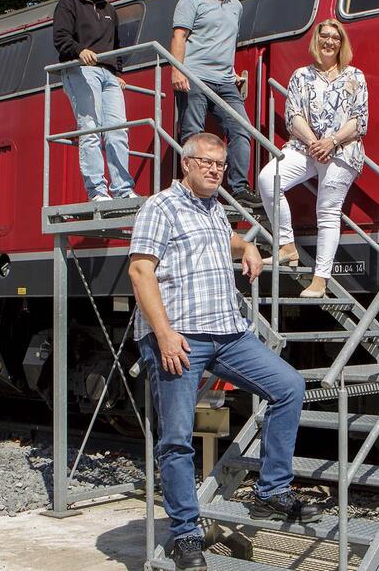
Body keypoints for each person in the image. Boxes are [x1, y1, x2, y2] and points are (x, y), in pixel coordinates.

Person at [127, 133, 323, 571]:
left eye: (220, 164)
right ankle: (185, 534)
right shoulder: (160, 208)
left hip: (228, 333)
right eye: (207, 163)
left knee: (289, 385)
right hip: (180, 338)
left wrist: (248, 245)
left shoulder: (214, 209)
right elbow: (140, 271)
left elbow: (224, 240)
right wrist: (162, 334)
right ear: (186, 165)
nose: (216, 170)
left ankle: (271, 491)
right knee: (177, 439)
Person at [256, 19, 367, 297]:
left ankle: (321, 278)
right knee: (268, 179)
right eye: (324, 36)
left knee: (327, 211)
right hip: (306, 146)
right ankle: (286, 245)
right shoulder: (300, 76)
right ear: (316, 41)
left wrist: (332, 141)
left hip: (343, 148)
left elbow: (359, 120)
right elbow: (293, 116)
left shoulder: (355, 76)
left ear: (342, 43)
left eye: (335, 37)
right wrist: (315, 142)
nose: (329, 42)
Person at [170, 0, 261, 206]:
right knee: (193, 134)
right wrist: (177, 70)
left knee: (242, 128)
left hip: (224, 81)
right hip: (194, 77)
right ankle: (191, 190)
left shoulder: (236, 6)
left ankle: (239, 188)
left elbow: (223, 41)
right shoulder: (191, 0)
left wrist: (231, 71)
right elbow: (179, 37)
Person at [52, 0, 134, 202]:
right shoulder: (68, 4)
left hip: (108, 75)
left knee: (118, 131)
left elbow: (117, 44)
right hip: (81, 70)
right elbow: (61, 39)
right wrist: (80, 51)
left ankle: (122, 190)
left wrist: (118, 73)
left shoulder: (109, 10)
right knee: (91, 129)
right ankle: (97, 190)